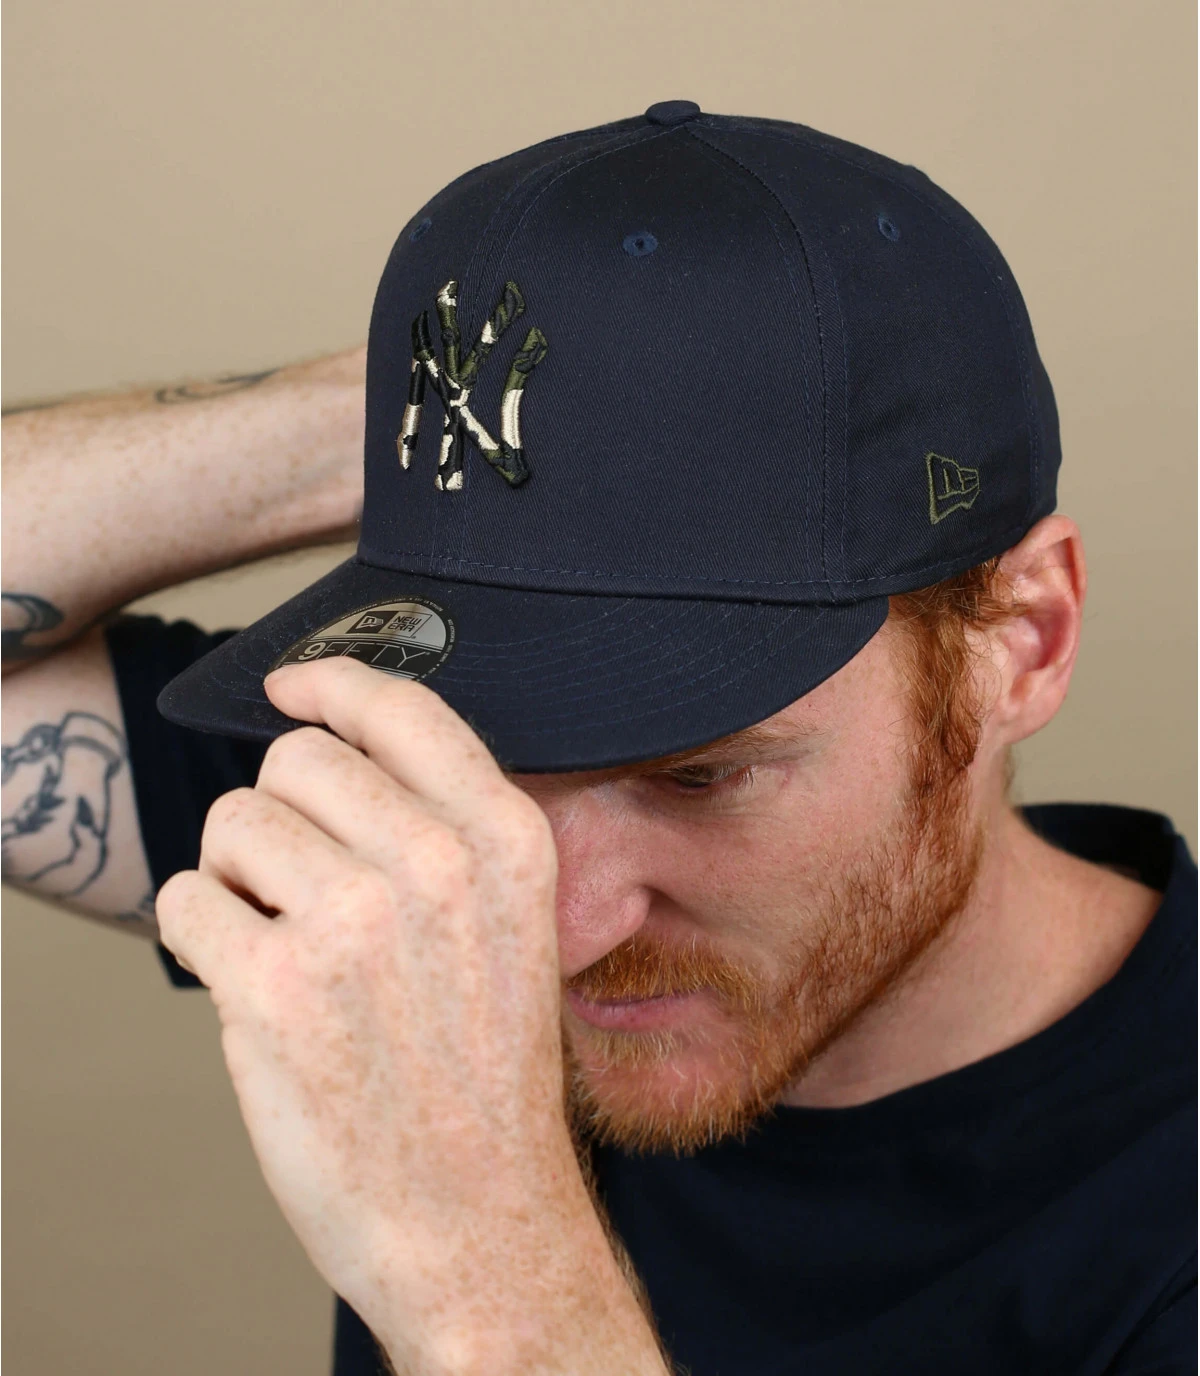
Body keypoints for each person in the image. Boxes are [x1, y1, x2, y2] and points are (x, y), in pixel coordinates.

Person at [3, 101, 1194, 1376]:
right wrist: (457, 421)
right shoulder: (441, 854)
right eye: (480, 749)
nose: (554, 926)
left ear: (1025, 639)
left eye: (699, 772)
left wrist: (492, 1284)